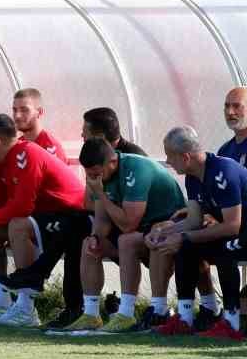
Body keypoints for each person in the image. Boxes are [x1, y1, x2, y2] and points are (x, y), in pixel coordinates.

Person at [149, 125, 247, 341]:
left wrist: (182, 235)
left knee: (225, 249)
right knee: (187, 245)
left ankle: (232, 322)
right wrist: (164, 231)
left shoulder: (222, 171)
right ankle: (185, 319)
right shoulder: (192, 176)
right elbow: (193, 221)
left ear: (185, 156)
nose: (168, 162)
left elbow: (231, 226)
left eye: (169, 156)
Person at [0, 113, 89, 329]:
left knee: (18, 225)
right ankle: (2, 299)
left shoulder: (24, 154)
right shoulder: (2, 160)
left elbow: (22, 207)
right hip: (44, 217)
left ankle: (26, 307)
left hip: (71, 216)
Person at [61, 137, 186, 332]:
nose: (94, 179)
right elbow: (101, 218)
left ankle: (130, 313)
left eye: (96, 174)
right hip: (143, 228)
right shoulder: (100, 175)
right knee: (90, 244)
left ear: (111, 162)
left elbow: (129, 224)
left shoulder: (135, 169)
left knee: (126, 240)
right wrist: (96, 237)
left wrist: (100, 194)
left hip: (169, 224)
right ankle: (91, 315)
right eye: (89, 175)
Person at [11, 88, 66, 159]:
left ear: (40, 112)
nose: (17, 115)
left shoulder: (50, 148)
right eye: (15, 110)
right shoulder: (16, 145)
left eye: (24, 110)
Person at [81, 106, 145, 157]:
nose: (82, 135)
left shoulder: (131, 159)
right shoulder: (103, 153)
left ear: (100, 137)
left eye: (85, 132)